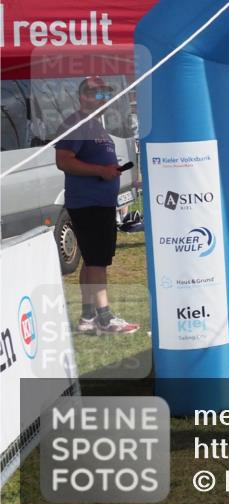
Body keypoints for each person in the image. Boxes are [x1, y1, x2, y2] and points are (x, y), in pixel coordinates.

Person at [54, 77, 139, 335]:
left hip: (98, 203)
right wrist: (101, 170)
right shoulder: (77, 123)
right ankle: (105, 317)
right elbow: (64, 161)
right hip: (88, 203)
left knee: (91, 261)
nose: (104, 99)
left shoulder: (93, 125)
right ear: (83, 96)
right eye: (97, 93)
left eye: (106, 94)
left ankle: (88, 318)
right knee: (97, 261)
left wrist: (107, 169)